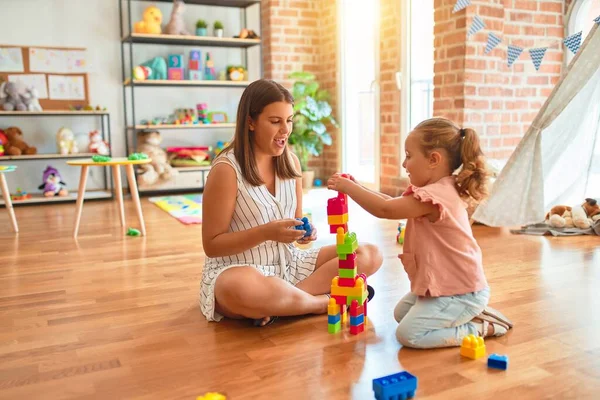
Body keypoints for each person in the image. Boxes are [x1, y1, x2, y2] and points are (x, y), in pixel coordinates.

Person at [200, 79, 382, 326]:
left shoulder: (291, 163)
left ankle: (286, 303)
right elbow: (212, 245)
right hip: (240, 270)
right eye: (275, 121)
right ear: (250, 122)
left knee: (368, 253)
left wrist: (303, 232)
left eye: (289, 120)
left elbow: (295, 220)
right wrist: (266, 233)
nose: (285, 130)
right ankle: (321, 302)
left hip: (291, 266)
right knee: (241, 289)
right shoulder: (226, 170)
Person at [327, 117, 513, 348]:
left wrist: (350, 189)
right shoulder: (434, 191)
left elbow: (386, 209)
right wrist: (359, 187)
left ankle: (481, 326)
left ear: (434, 159)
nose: (405, 164)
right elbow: (392, 202)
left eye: (409, 156)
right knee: (401, 314)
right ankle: (468, 314)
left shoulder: (436, 197)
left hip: (460, 292)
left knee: (409, 335)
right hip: (446, 288)